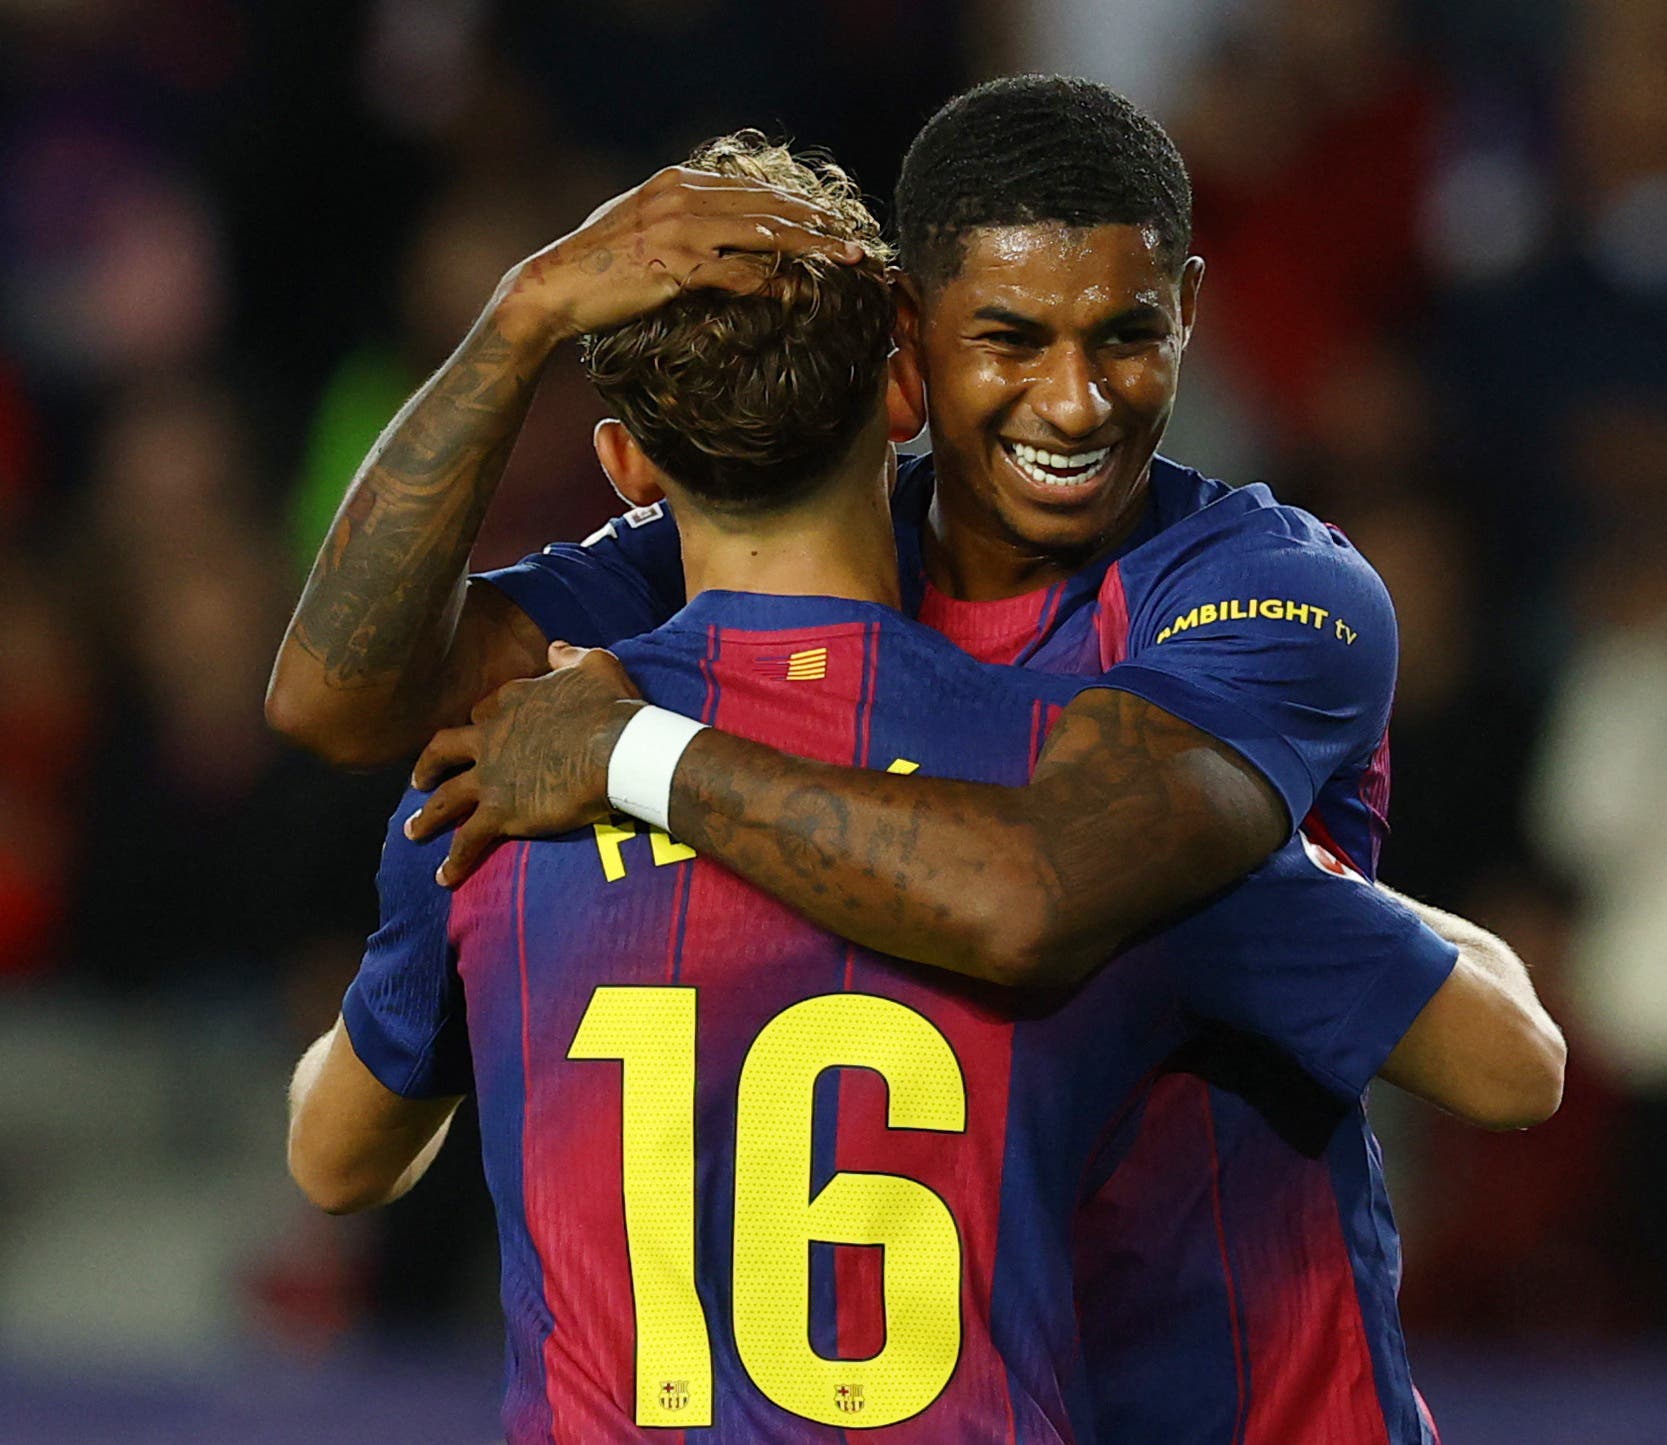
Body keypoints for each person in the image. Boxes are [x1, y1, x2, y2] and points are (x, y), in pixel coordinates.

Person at [270, 79, 1563, 1443]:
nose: (1074, 402)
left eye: (1125, 336)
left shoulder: (1259, 587)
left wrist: (639, 756)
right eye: (1009, 338)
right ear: (906, 346)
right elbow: (334, 698)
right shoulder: (748, 617)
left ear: (1189, 308)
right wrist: (520, 312)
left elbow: (1036, 889)